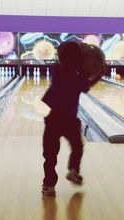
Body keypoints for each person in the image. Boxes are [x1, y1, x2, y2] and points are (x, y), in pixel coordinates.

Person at [41, 41, 105, 196]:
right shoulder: (78, 77)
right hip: (69, 120)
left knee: (50, 156)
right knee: (77, 147)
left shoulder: (56, 70)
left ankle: (49, 185)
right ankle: (73, 169)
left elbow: (65, 57)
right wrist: (99, 74)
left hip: (54, 119)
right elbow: (86, 85)